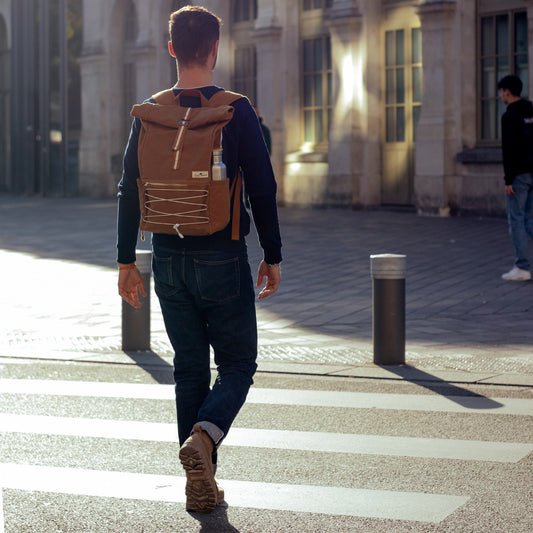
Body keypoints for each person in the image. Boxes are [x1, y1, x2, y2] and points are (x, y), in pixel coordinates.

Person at [116, 5, 282, 513]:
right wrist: (272, 255)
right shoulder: (237, 110)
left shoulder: (150, 111)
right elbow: (262, 187)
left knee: (189, 369)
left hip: (165, 257)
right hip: (222, 256)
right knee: (238, 363)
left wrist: (126, 262)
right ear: (214, 50)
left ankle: (199, 483)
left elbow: (129, 189)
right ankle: (205, 441)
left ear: (171, 50)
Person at [497, 74, 533, 281]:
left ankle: (522, 267)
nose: (501, 96)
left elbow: (509, 150)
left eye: (501, 92)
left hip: (518, 175)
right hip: (532, 173)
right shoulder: (531, 109)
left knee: (517, 220)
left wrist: (508, 180)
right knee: (528, 219)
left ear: (507, 92)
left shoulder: (509, 116)